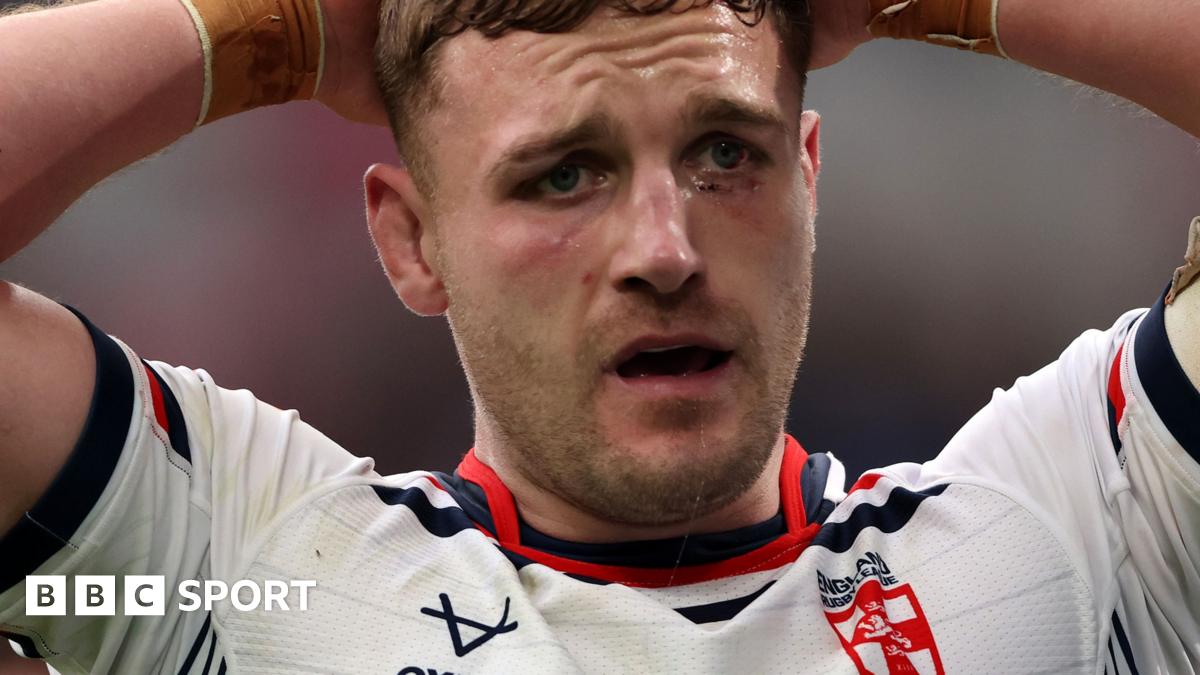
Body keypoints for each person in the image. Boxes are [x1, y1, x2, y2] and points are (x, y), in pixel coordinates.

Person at [0, 0, 1197, 672]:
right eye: (564, 176)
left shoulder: (1065, 543)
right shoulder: (252, 575)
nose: (664, 250)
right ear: (413, 242)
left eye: (725, 153)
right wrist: (274, 25)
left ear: (810, 182)